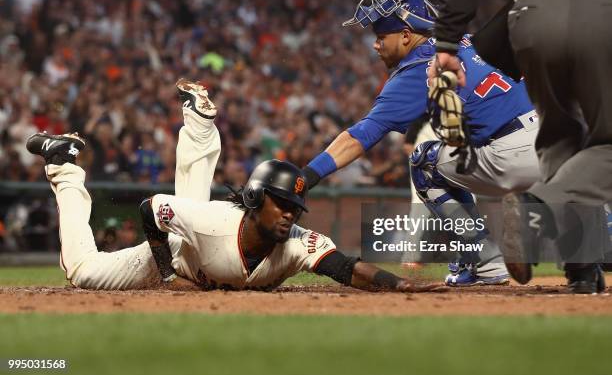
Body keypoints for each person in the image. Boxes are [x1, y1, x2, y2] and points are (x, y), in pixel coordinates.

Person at [25, 79, 438, 292]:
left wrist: (399, 284)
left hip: (198, 240)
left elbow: (347, 269)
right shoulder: (214, 222)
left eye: (294, 205)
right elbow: (151, 209)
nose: (290, 213)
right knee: (83, 272)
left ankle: (201, 127)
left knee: (190, 204)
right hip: (179, 250)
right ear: (257, 200)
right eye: (281, 204)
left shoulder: (296, 242)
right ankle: (65, 167)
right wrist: (166, 271)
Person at [302, 0, 539, 286]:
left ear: (405, 35)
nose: (375, 44)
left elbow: (360, 136)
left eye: (381, 36)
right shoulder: (463, 42)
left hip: (509, 157)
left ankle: (485, 261)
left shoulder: (417, 70)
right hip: (552, 144)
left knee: (423, 161)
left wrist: (308, 175)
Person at [430, 0, 612, 293]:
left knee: (559, 136)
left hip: (529, 15)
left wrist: (448, 43)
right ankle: (537, 207)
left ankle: (581, 268)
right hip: (601, 6)